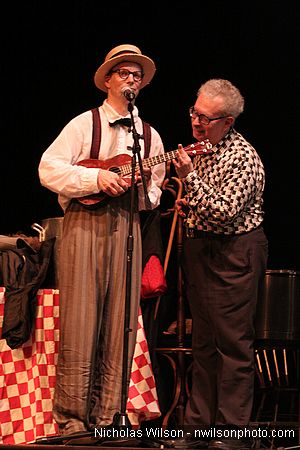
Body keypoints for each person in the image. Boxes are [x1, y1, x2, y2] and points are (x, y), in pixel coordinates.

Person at [38, 44, 166, 436]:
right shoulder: (83, 124)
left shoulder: (149, 135)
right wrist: (96, 178)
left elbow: (154, 195)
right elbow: (48, 168)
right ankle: (72, 420)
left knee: (120, 322)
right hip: (84, 224)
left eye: (137, 75)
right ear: (108, 80)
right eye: (124, 73)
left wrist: (143, 186)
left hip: (127, 226)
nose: (131, 80)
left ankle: (109, 416)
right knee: (81, 318)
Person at [172, 79, 268, 449]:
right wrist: (189, 206)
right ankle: (199, 429)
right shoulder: (204, 149)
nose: (197, 122)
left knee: (232, 344)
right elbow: (208, 204)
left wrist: (189, 181)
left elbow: (226, 211)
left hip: (233, 253)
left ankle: (231, 433)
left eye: (206, 118)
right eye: (195, 112)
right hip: (203, 249)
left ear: (228, 122)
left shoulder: (243, 157)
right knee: (205, 343)